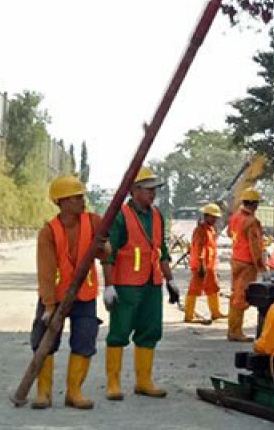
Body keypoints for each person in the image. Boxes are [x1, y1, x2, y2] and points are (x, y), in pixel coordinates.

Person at [30, 176, 111, 410]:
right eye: (76, 197)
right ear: (62, 202)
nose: (82, 200)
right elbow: (45, 271)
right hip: (54, 297)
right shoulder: (48, 232)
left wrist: (103, 247)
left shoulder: (94, 221)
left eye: (81, 196)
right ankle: (43, 392)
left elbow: (107, 254)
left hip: (84, 295)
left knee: (84, 340)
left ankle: (74, 392)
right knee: (44, 340)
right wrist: (48, 305)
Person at [101, 168, 180, 400]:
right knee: (119, 332)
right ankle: (113, 383)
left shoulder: (156, 216)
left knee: (150, 331)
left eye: (154, 190)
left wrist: (170, 280)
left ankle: (144, 381)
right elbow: (108, 253)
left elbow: (161, 251)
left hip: (152, 284)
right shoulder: (120, 215)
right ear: (134, 191)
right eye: (148, 190)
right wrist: (108, 285)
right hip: (126, 285)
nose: (152, 194)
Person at [227, 188, 266, 342]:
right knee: (240, 296)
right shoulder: (251, 221)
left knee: (235, 293)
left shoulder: (235, 218)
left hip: (236, 260)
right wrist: (261, 267)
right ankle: (235, 331)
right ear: (255, 204)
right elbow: (255, 247)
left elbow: (231, 234)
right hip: (247, 263)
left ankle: (233, 329)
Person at [184, 203, 225, 325]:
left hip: (209, 265)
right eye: (212, 217)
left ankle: (215, 312)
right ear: (206, 216)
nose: (215, 220)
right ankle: (189, 315)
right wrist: (201, 265)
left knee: (213, 288)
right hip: (201, 266)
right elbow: (199, 249)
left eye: (216, 217)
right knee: (194, 289)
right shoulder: (200, 231)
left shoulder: (210, 230)